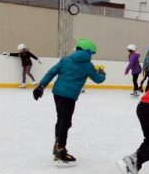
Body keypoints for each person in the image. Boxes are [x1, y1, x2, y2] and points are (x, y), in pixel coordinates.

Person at [32, 38, 106, 166]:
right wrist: (102, 74)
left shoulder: (65, 60)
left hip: (57, 94)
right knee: (65, 122)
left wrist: (41, 86)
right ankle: (61, 150)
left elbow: (51, 72)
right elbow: (98, 80)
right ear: (88, 52)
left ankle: (57, 146)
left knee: (61, 119)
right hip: (69, 96)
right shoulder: (88, 65)